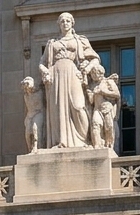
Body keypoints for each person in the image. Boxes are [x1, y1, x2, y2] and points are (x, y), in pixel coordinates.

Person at [39, 12, 100, 148]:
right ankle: (61, 141)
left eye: (68, 21)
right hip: (56, 75)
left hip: (73, 73)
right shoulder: (52, 43)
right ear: (59, 25)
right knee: (58, 108)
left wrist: (86, 69)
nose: (65, 23)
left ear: (72, 23)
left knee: (78, 106)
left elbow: (95, 58)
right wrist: (46, 73)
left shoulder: (80, 40)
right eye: (62, 21)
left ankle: (83, 140)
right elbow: (42, 63)